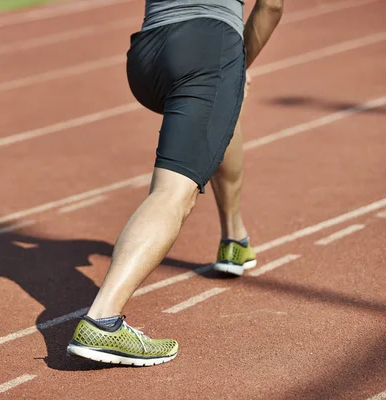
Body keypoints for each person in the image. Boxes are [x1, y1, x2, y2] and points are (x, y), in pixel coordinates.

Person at [67, 0, 284, 366]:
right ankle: (103, 321)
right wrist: (235, 63)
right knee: (172, 193)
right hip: (206, 45)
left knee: (220, 111)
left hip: (147, 52)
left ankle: (235, 239)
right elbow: (272, 6)